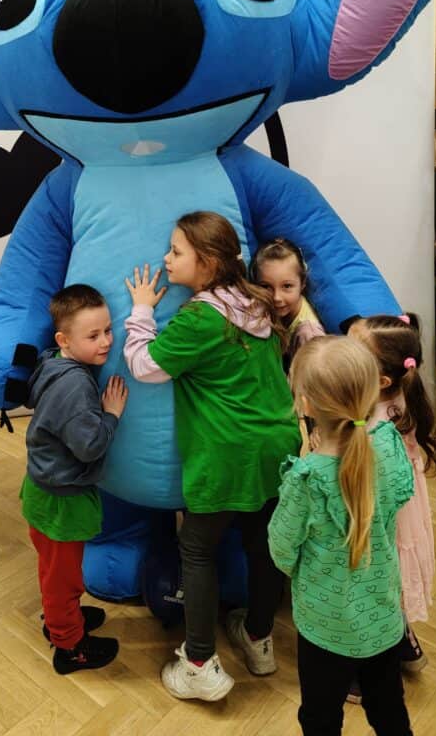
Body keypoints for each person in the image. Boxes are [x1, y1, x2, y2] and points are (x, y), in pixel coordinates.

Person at [123, 211, 302, 701]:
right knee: (262, 544)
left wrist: (141, 310)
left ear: (206, 261)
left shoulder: (201, 317)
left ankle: (199, 662)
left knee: (198, 549)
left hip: (228, 452)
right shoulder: (255, 301)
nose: (166, 258)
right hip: (276, 444)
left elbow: (145, 366)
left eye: (176, 251)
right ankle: (259, 639)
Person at [269, 336, 415, 735]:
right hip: (384, 615)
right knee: (389, 708)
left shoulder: (306, 479)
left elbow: (281, 551)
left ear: (305, 404)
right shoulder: (388, 443)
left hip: (324, 626)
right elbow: (401, 494)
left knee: (320, 716)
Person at [20, 283, 127, 675]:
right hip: (61, 500)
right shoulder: (76, 386)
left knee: (54, 570)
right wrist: (111, 415)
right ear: (64, 340)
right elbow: (89, 446)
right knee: (62, 579)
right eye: (93, 336)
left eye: (108, 330)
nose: (106, 342)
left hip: (42, 489)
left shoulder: (52, 363)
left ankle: (62, 620)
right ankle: (69, 646)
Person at [348, 314, 436, 674]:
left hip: (382, 514)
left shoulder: (371, 424)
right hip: (402, 509)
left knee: (374, 583)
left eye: (352, 352)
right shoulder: (402, 398)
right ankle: (405, 641)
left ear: (381, 379)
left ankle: (371, 666)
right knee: (391, 580)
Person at [251, 238, 325, 370]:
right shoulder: (261, 308)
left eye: (287, 286)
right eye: (266, 287)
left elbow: (314, 379)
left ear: (302, 283)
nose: (276, 298)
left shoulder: (308, 335)